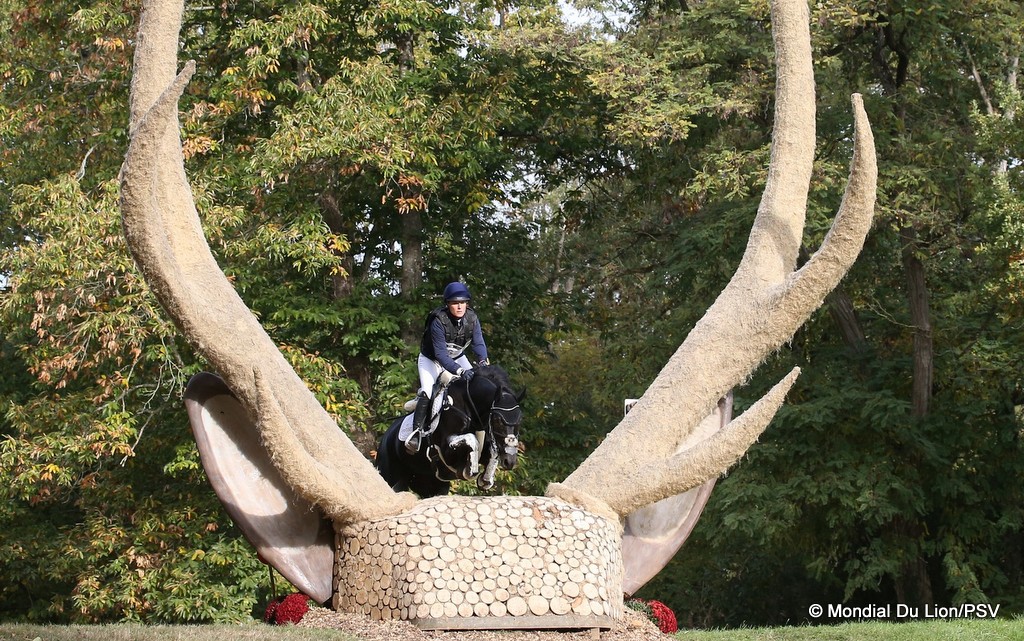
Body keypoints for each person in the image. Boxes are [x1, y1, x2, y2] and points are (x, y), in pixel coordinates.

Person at [404, 281, 489, 453]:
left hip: (457, 357)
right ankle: (416, 433)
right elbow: (441, 355)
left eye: (463, 302)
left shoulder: (472, 318)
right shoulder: (438, 320)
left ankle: (484, 437)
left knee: (476, 387)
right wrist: (460, 371)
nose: (459, 307)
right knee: (428, 391)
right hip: (432, 360)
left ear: (467, 303)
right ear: (448, 304)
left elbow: (479, 343)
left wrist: (482, 362)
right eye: (455, 303)